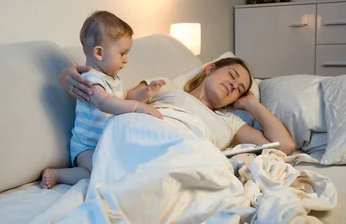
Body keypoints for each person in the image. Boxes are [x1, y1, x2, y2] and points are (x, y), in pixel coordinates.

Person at [58, 56, 297, 157]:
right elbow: (117, 98)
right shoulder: (165, 87)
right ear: (210, 68)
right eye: (232, 76)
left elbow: (285, 146)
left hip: (189, 152)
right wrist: (70, 74)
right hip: (143, 139)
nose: (234, 86)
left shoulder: (230, 122)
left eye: (239, 89)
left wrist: (253, 105)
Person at [41, 11, 166, 189]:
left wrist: (145, 93)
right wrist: (137, 107)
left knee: (124, 167)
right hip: (86, 147)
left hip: (106, 144)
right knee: (101, 172)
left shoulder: (113, 79)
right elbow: (104, 102)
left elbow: (124, 99)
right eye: (122, 53)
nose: (126, 60)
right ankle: (58, 174)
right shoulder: (91, 79)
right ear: (99, 53)